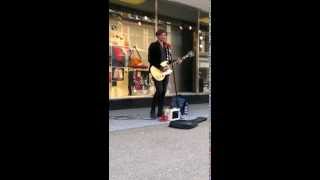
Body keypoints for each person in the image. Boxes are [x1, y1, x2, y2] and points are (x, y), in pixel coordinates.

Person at [148, 29, 181, 119]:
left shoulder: (166, 47)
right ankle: (152, 110)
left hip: (165, 71)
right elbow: (150, 59)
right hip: (156, 70)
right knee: (159, 90)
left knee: (163, 92)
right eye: (162, 35)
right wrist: (160, 67)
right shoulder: (153, 45)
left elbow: (168, 60)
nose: (164, 37)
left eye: (165, 35)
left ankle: (160, 111)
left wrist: (176, 60)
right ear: (157, 36)